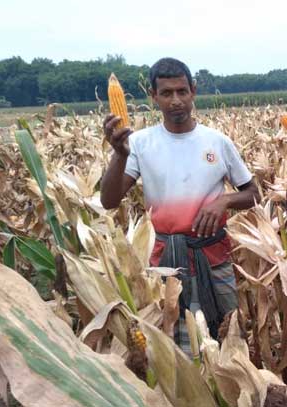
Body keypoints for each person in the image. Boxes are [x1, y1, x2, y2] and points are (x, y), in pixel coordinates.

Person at [100, 57, 260, 350]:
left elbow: (252, 193)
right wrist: (118, 154)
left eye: (182, 91)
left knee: (229, 333)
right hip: (165, 262)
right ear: (154, 97)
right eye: (166, 93)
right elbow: (109, 200)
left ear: (193, 91)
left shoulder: (217, 142)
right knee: (173, 342)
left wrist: (224, 200)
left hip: (214, 255)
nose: (176, 101)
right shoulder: (139, 144)